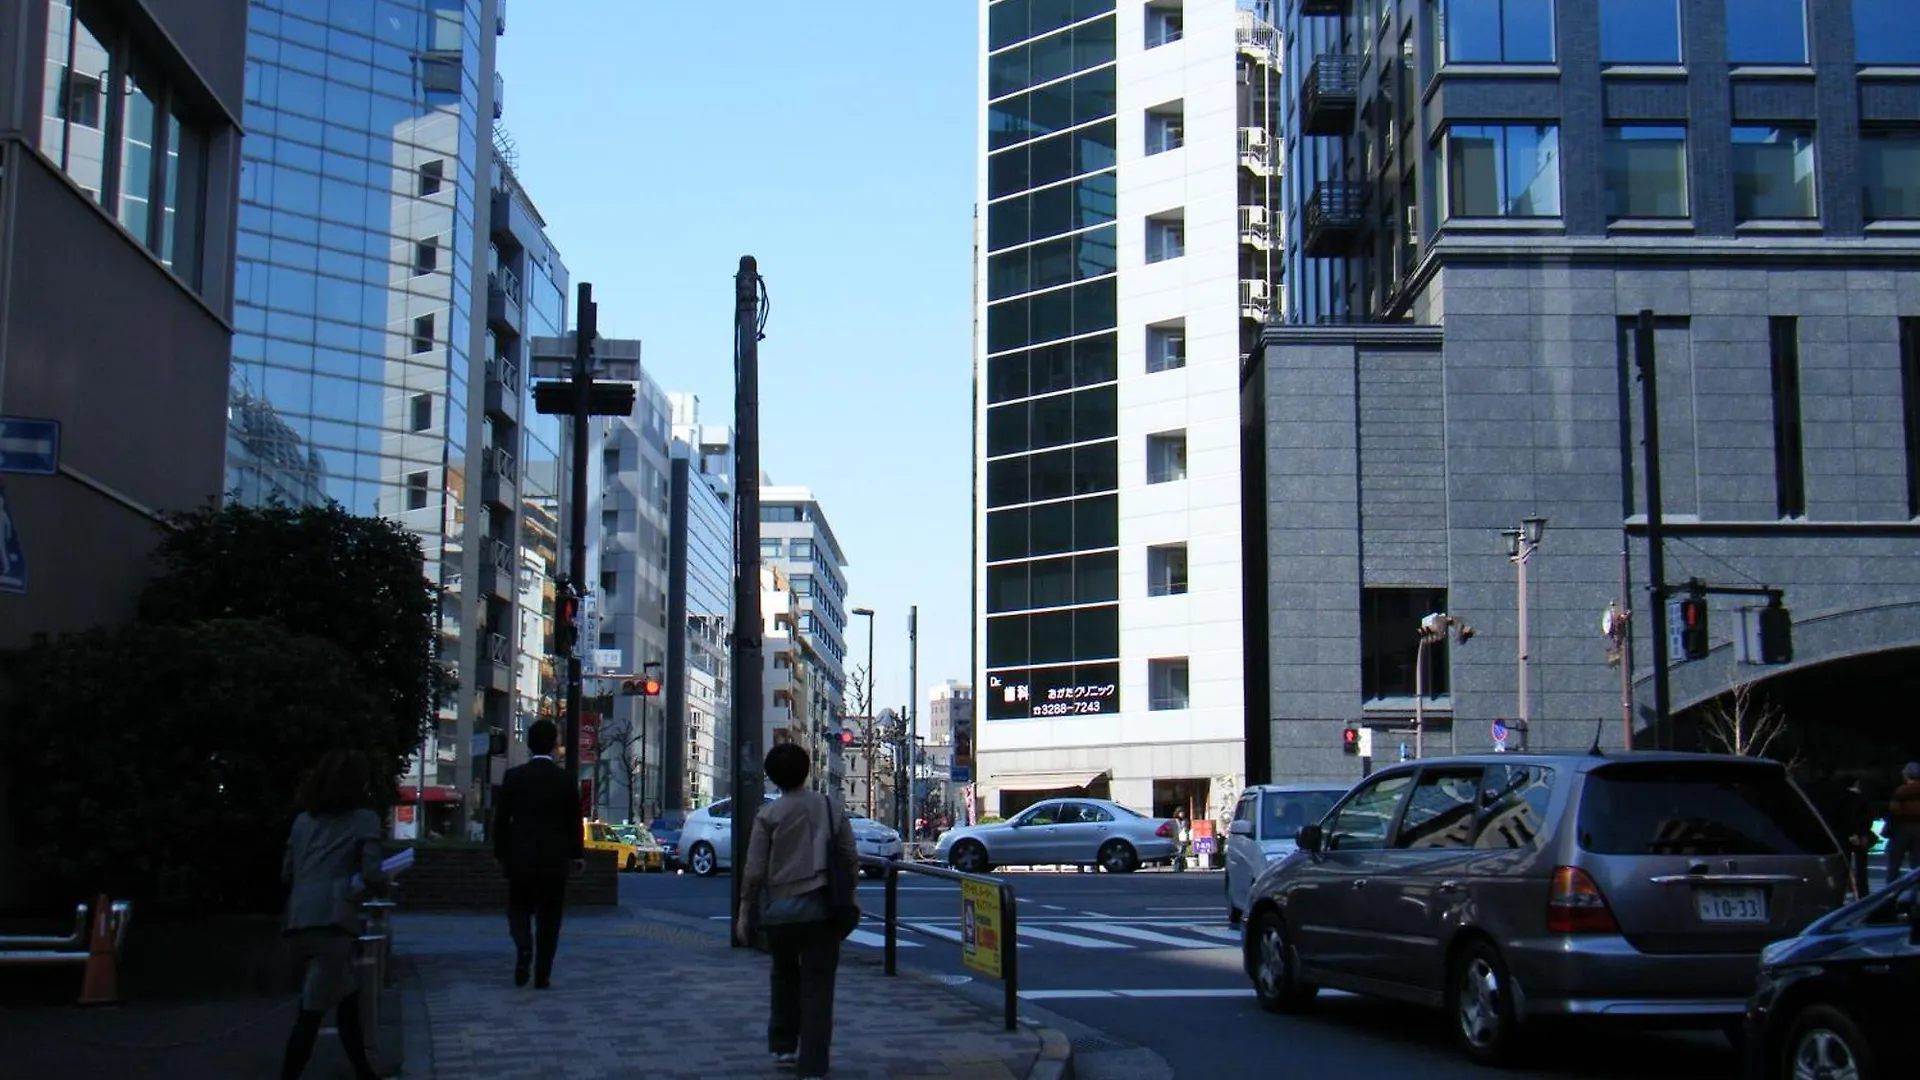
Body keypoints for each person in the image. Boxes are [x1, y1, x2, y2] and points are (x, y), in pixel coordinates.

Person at [736, 743, 858, 1080]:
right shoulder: (830, 808)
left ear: (773, 778)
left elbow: (754, 869)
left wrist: (745, 911)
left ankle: (784, 1046)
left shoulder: (769, 815)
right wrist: (851, 896)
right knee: (819, 987)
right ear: (806, 770)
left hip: (780, 913)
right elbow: (849, 857)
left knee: (783, 974)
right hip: (822, 911)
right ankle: (814, 1065)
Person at [280, 749, 387, 1080]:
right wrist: (384, 880)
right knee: (310, 1012)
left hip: (298, 919)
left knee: (347, 1000)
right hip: (333, 923)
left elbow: (287, 872)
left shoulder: (302, 822)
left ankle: (364, 1072)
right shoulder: (364, 820)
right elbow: (371, 875)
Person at [493, 719, 585, 989]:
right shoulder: (565, 780)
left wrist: (501, 853)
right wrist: (576, 855)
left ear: (529, 744)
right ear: (555, 745)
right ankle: (542, 973)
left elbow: (501, 821)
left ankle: (523, 946)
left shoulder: (514, 777)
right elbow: (574, 821)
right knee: (550, 916)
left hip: (520, 856)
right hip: (554, 860)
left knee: (518, 908)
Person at [1886, 761, 1920, 887]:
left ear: (1907, 775)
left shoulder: (1901, 790)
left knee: (1894, 865)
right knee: (1917, 866)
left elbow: (1894, 810)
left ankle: (1890, 894)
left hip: (1902, 829)